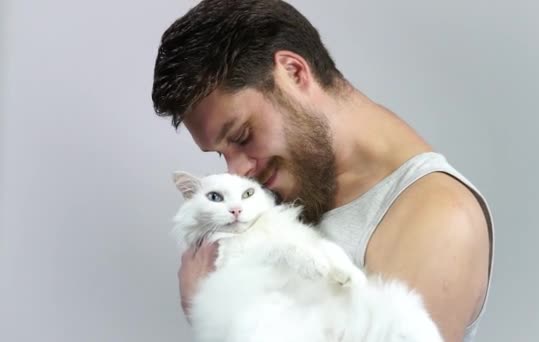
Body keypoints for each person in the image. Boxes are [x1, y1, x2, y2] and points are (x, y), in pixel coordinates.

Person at [151, 0, 494, 341]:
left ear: (293, 72)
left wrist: (202, 305)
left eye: (242, 136)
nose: (238, 171)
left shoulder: (438, 217)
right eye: (220, 155)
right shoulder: (291, 189)